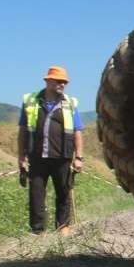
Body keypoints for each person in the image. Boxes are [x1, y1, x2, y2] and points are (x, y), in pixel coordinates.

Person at [18, 66, 84, 234]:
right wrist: (21, 156)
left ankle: (63, 227)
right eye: (59, 81)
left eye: (64, 82)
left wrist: (79, 157)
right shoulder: (31, 101)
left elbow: (77, 131)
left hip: (62, 156)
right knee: (36, 195)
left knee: (63, 192)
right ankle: (38, 231)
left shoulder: (69, 103)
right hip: (37, 156)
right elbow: (23, 131)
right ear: (48, 81)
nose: (63, 84)